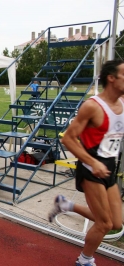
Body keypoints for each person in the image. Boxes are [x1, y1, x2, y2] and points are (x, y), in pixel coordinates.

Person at [48, 60, 124, 266]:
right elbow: (68, 139)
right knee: (104, 223)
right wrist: (92, 162)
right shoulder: (93, 106)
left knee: (116, 222)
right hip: (91, 169)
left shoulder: (123, 103)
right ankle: (84, 260)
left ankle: (66, 204)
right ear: (112, 78)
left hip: (109, 168)